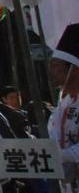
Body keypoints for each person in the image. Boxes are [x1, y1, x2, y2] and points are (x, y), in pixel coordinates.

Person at [47, 22, 79, 190]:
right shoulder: (63, 100)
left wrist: (66, 155)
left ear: (74, 69)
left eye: (56, 66)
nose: (50, 71)